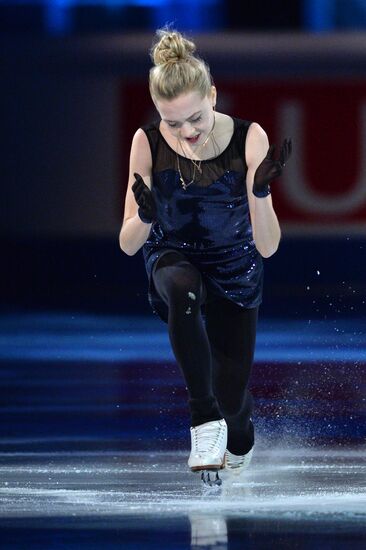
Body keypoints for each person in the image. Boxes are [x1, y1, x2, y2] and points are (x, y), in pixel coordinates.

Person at [119, 29, 291, 476]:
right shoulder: (147, 142)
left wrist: (260, 190)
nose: (186, 132)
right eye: (172, 122)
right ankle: (202, 418)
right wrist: (146, 215)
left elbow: (268, 248)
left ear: (212, 95)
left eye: (194, 118)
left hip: (235, 269)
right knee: (181, 288)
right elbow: (128, 242)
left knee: (233, 401)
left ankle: (231, 428)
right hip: (172, 256)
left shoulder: (248, 137)